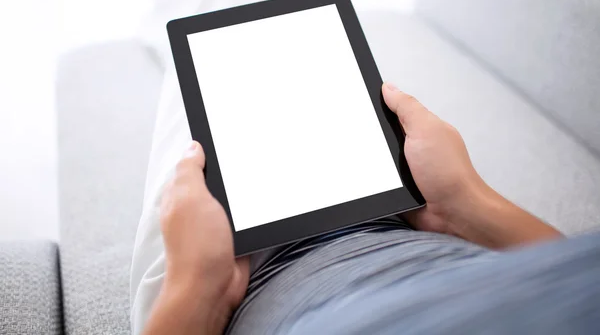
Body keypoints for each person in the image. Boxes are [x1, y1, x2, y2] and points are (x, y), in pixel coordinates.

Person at [138, 84, 599, 334]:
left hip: (239, 271)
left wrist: (198, 289)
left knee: (190, 99)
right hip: (412, 219)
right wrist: (465, 203)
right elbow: (564, 267)